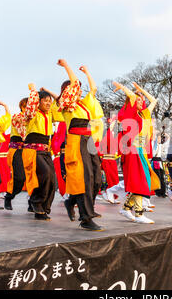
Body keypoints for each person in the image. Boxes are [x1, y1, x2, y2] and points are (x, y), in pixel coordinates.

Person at [56, 60, 104, 231]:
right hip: (76, 142)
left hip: (88, 141)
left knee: (97, 178)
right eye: (76, 89)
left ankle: (72, 201)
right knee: (85, 179)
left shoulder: (83, 105)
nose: (79, 90)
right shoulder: (65, 105)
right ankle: (86, 218)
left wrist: (87, 72)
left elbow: (93, 89)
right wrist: (67, 66)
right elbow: (74, 83)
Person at [114, 81, 160, 224]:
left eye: (141, 100)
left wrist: (141, 90)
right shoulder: (131, 113)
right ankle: (139, 214)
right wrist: (124, 88)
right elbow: (131, 97)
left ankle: (126, 208)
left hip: (140, 151)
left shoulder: (144, 114)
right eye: (137, 99)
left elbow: (154, 100)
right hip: (132, 150)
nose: (140, 101)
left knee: (141, 180)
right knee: (139, 181)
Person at [22, 83, 63, 221]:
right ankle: (35, 202)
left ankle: (43, 208)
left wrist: (48, 91)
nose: (48, 103)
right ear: (38, 102)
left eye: (49, 101)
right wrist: (34, 91)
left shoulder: (50, 114)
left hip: (46, 151)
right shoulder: (33, 114)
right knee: (44, 174)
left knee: (52, 179)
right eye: (44, 101)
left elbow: (61, 104)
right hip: (33, 150)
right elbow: (31, 106)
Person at [4, 98, 28, 210]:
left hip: (30, 150)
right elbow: (23, 126)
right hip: (17, 150)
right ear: (23, 107)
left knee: (34, 177)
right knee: (20, 177)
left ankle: (33, 202)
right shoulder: (17, 117)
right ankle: (9, 196)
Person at [99, 116, 121, 204]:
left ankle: (112, 195)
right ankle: (109, 193)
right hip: (107, 160)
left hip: (112, 160)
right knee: (111, 179)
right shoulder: (106, 134)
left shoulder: (113, 135)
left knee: (115, 179)